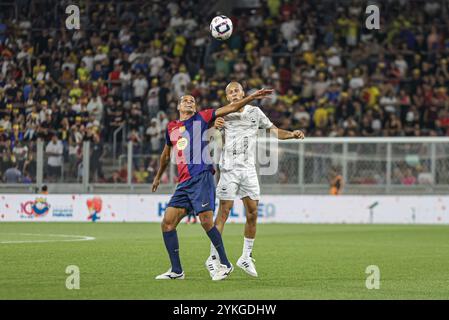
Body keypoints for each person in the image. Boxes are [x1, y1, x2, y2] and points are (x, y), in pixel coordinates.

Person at [152, 88, 273, 281]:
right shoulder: (171, 127)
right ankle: (176, 270)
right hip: (183, 182)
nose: (190, 102)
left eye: (192, 100)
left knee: (207, 221)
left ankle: (225, 264)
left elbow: (232, 107)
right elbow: (166, 154)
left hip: (202, 176)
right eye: (185, 100)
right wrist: (158, 176)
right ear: (178, 106)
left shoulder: (203, 117)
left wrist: (250, 97)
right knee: (167, 223)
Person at [206, 82, 305, 278]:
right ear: (227, 98)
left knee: (252, 213)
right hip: (229, 169)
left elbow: (275, 131)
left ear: (242, 92)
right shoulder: (223, 113)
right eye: (230, 92)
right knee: (223, 213)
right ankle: (213, 257)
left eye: (237, 91)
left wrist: (292, 134)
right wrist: (213, 125)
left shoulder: (256, 112)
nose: (234, 94)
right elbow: (205, 129)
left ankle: (245, 256)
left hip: (249, 170)